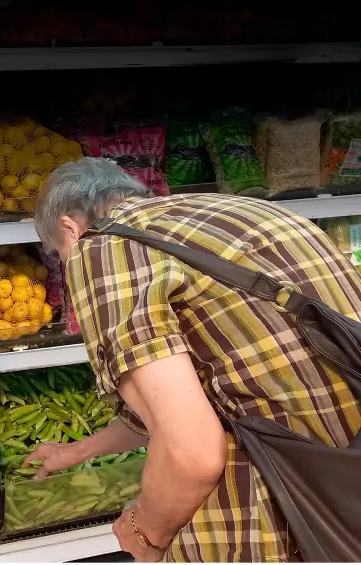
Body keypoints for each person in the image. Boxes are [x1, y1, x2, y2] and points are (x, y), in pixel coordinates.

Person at [28, 157, 361, 562]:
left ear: (69, 228)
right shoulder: (239, 210)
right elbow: (206, 388)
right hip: (344, 476)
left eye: (61, 254)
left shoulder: (99, 246)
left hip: (287, 509)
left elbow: (193, 454)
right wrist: (78, 451)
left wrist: (146, 535)